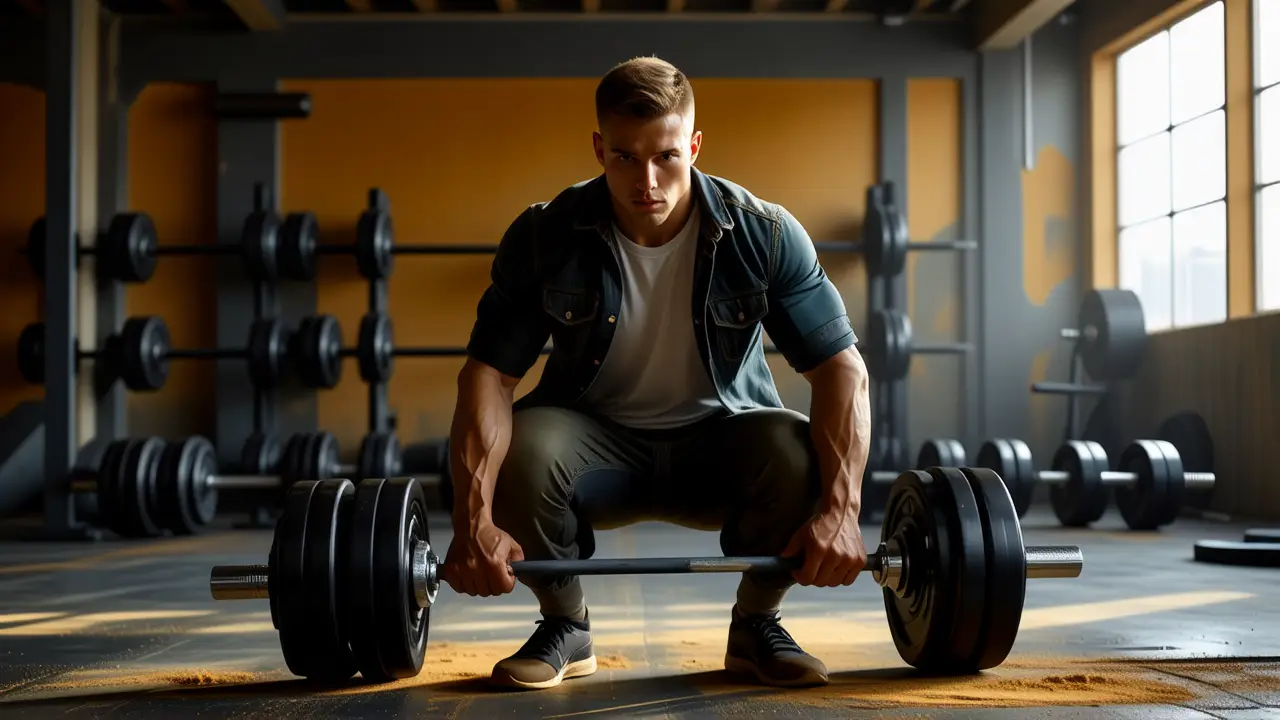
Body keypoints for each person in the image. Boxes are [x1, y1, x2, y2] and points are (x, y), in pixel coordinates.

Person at [441, 55, 872, 692]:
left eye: (666, 157)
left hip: (721, 443)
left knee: (797, 448)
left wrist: (843, 510)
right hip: (594, 449)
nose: (647, 181)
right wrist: (472, 520)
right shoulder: (545, 236)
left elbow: (842, 371)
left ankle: (757, 624)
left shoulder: (765, 234)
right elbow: (487, 377)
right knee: (521, 450)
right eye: (625, 157)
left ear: (693, 146)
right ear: (599, 149)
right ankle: (565, 624)